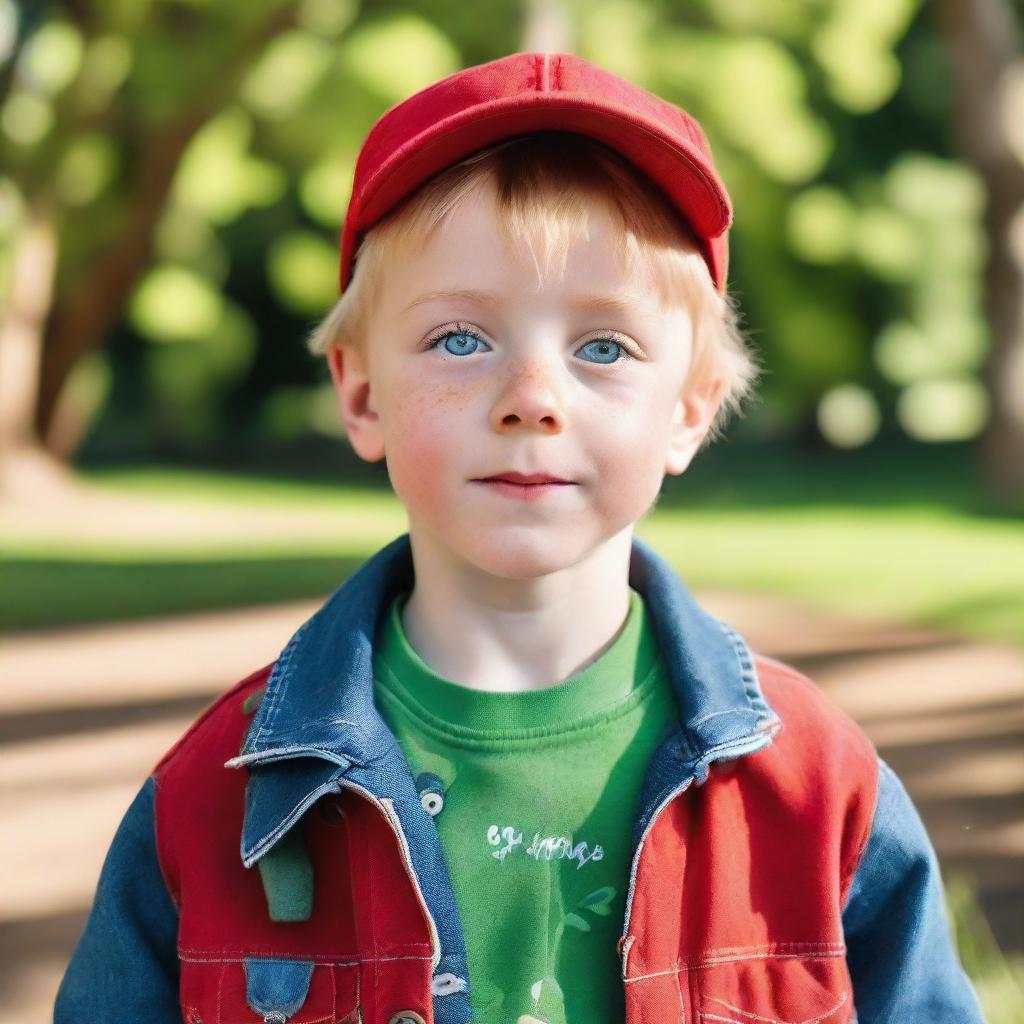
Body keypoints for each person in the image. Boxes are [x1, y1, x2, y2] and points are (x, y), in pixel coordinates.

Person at [54, 51, 987, 1024]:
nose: (532, 399)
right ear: (360, 392)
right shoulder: (210, 800)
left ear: (690, 409)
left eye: (603, 347)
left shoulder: (815, 790)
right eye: (461, 338)